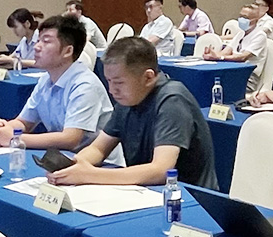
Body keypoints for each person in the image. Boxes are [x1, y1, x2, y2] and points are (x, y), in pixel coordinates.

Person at [50, 38, 216, 189]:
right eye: (109, 81)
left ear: (148, 78)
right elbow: (98, 149)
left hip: (187, 196)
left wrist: (90, 175)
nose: (112, 90)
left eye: (119, 82)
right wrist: (75, 165)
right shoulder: (129, 98)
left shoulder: (172, 100)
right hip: (145, 190)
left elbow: (161, 170)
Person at [0, 17, 114, 156]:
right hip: (62, 158)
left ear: (68, 51)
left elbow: (71, 139)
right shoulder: (46, 79)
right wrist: (2, 130)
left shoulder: (85, 85)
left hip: (100, 163)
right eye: (38, 40)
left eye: (46, 41)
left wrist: (14, 138)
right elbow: (24, 122)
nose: (36, 47)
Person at [205, 0, 273, 84]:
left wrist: (220, 57)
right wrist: (212, 55)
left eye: (245, 17)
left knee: (216, 84)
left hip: (248, 77)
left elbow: (243, 57)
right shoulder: (241, 33)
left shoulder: (260, 35)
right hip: (233, 71)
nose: (241, 20)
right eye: (240, 16)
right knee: (209, 81)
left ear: (255, 20)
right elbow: (226, 51)